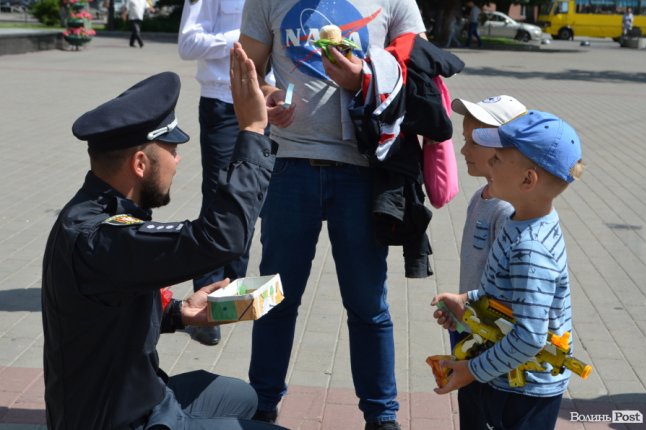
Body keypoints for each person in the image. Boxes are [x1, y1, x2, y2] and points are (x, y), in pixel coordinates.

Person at [41, 45, 286, 430]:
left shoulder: (98, 212)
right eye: (171, 149)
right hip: (121, 420)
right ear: (140, 164)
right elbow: (222, 239)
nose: (178, 159)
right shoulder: (100, 237)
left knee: (243, 396)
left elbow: (114, 300)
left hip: (137, 396)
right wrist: (252, 131)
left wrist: (179, 314)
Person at [238, 1, 426, 429]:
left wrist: (365, 79)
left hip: (362, 169)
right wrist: (266, 97)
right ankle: (262, 404)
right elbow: (246, 72)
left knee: (367, 304)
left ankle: (382, 416)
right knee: (273, 297)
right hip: (289, 165)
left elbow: (420, 65)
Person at [432, 110, 584, 430]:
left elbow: (529, 338)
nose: (491, 164)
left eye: (498, 159)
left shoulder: (531, 250)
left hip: (524, 392)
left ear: (528, 180)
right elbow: (504, 295)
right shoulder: (520, 221)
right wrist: (468, 300)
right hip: (506, 377)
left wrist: (471, 370)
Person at [177, 0, 247, 346]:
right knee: (220, 197)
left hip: (269, 101)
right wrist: (244, 36)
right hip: (222, 101)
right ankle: (205, 304)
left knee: (251, 197)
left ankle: (236, 293)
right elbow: (187, 44)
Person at [446, 95, 525, 348]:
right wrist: (459, 310)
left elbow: (513, 287)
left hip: (498, 338)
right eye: (465, 139)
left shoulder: (508, 210)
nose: (463, 150)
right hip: (472, 324)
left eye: (475, 142)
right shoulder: (479, 198)